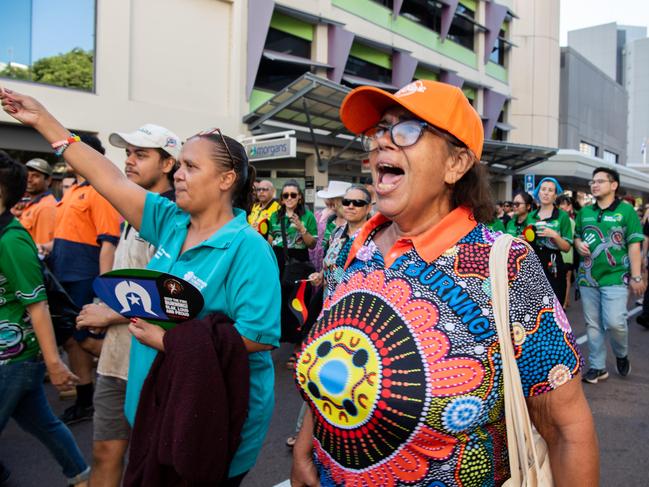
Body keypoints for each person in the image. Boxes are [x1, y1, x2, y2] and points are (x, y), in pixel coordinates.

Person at [290, 79, 598, 486]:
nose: (382, 142)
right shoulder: (361, 245)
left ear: (456, 164)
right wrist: (304, 447)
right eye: (381, 130)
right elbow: (341, 360)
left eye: (407, 130)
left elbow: (566, 431)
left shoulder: (504, 265)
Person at [1, 87, 281, 485]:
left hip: (212, 421)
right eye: (179, 164)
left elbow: (258, 336)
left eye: (190, 167)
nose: (178, 175)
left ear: (226, 179)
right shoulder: (170, 221)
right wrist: (45, 121)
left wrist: (168, 341)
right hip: (155, 409)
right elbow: (108, 178)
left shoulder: (247, 248)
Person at [75, 123, 180, 487]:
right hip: (116, 358)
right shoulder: (131, 209)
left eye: (142, 154)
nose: (129, 161)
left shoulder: (173, 218)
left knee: (150, 463)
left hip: (152, 363)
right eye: (128, 153)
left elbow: (175, 297)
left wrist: (110, 314)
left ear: (168, 164)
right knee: (104, 453)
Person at [0, 152, 90, 486]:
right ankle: (82, 478)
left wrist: (53, 363)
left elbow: (37, 304)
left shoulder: (11, 240)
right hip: (14, 361)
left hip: (14, 359)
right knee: (44, 424)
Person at [42, 134, 122, 425]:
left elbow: (108, 243)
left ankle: (130, 371)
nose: (66, 154)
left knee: (85, 339)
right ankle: (85, 399)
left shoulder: (100, 191)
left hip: (84, 276)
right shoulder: (73, 191)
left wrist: (104, 290)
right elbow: (67, 234)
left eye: (71, 149)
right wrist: (46, 248)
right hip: (63, 275)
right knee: (74, 341)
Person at [286, 185, 372, 449]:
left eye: (358, 203)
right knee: (320, 371)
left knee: (347, 377)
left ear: (368, 207)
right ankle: (309, 433)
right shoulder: (336, 232)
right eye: (347, 201)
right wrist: (320, 277)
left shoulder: (374, 238)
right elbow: (329, 266)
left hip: (356, 319)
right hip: (328, 312)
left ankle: (331, 434)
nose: (351, 206)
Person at [575, 167, 645, 384]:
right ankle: (598, 367)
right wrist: (578, 245)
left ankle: (621, 354)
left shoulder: (626, 211)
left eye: (600, 181)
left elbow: (634, 245)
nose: (594, 185)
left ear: (614, 185)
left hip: (616, 277)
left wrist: (636, 277)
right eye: (592, 181)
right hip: (588, 277)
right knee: (593, 324)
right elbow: (577, 237)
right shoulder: (584, 212)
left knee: (615, 322)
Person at [269, 181, 317, 367]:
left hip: (298, 262)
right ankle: (277, 339)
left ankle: (298, 344)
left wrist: (302, 229)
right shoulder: (275, 216)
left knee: (298, 303)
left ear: (300, 198)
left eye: (293, 195)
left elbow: (312, 244)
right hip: (279, 261)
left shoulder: (308, 217)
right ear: (281, 199)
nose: (289, 198)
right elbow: (271, 241)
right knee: (278, 301)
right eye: (286, 195)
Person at [528, 177, 573, 302]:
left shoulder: (562, 216)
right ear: (538, 192)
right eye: (543, 189)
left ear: (555, 195)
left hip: (554, 262)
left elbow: (566, 247)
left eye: (550, 190)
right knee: (534, 304)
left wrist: (554, 235)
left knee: (555, 302)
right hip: (533, 262)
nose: (546, 193)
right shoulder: (531, 216)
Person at [309, 181, 351, 272]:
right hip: (324, 273)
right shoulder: (327, 220)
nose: (327, 202)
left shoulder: (352, 223)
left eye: (331, 199)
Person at [18, 158, 57, 246]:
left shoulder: (46, 207)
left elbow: (42, 250)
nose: (29, 179)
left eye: (35, 176)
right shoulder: (33, 204)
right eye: (27, 175)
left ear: (48, 180)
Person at [557, 194, 579, 308]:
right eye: (559, 204)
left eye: (564, 204)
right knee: (563, 279)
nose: (561, 207)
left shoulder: (571, 221)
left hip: (567, 254)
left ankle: (564, 303)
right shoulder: (557, 220)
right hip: (557, 253)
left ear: (569, 206)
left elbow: (571, 240)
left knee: (566, 279)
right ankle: (565, 301)